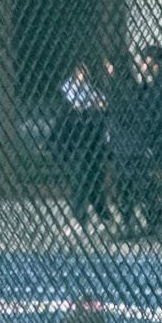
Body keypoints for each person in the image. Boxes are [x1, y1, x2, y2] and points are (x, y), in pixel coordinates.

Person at [110, 44, 162, 236]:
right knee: (141, 182)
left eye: (145, 62)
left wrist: (150, 145)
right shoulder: (153, 85)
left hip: (153, 143)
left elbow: (155, 117)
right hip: (150, 142)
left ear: (154, 64)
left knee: (139, 182)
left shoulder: (157, 87)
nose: (141, 65)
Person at [48, 57, 109, 230]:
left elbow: (101, 104)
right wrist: (88, 107)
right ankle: (81, 217)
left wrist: (93, 106)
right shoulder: (65, 90)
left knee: (92, 179)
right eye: (81, 70)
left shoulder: (91, 90)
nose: (85, 74)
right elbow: (70, 110)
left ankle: (101, 214)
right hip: (74, 142)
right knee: (80, 180)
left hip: (90, 142)